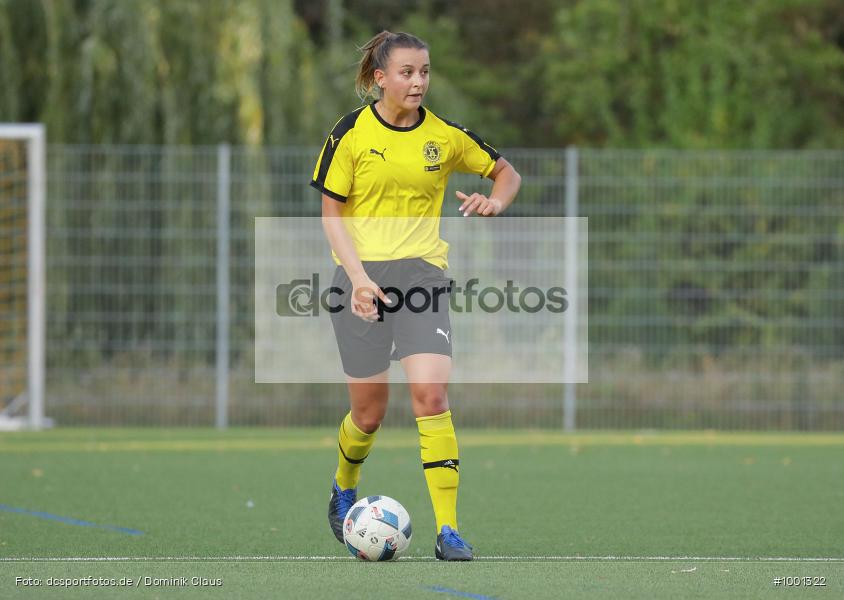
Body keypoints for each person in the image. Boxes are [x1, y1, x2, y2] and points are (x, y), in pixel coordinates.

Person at [310, 30, 521, 561]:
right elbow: (331, 215)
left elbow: (506, 172)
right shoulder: (351, 133)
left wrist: (497, 201)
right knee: (369, 414)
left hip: (423, 280)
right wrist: (357, 279)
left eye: (425, 71)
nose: (418, 82)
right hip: (359, 283)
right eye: (407, 72)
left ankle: (447, 531)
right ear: (380, 78)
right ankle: (343, 485)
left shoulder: (444, 137)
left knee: (431, 397)